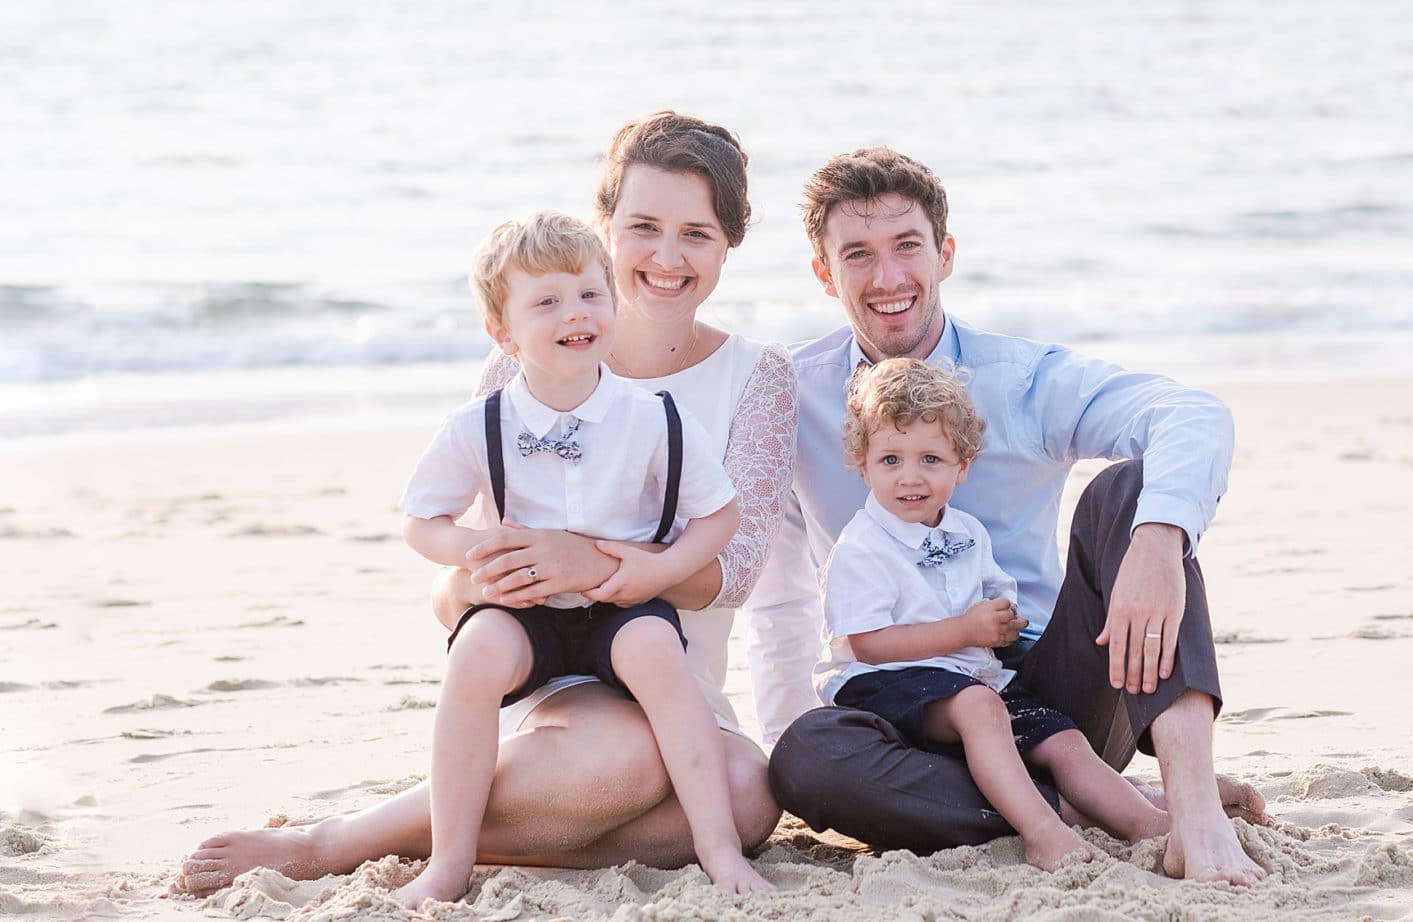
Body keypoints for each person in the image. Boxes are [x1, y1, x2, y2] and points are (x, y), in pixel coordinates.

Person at [178, 111, 795, 899]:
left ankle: (480, 841)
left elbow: (735, 570)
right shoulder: (525, 360)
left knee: (750, 796)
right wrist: (475, 578)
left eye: (697, 234)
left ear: (729, 244)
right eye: (642, 227)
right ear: (603, 226)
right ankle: (336, 842)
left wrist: (596, 562)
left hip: (665, 663)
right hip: (553, 680)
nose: (667, 258)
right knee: (620, 759)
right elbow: (452, 583)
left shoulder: (758, 375)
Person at [748, 147, 1270, 885]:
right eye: (857, 254)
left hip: (1052, 695)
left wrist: (1158, 542)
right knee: (806, 757)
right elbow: (781, 601)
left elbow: (1191, 414)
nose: (888, 277)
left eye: (907, 246)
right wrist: (786, 739)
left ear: (946, 254)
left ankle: (1192, 815)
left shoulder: (1021, 380)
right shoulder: (793, 394)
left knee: (1132, 493)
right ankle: (1094, 804)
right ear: (824, 274)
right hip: (901, 700)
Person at [392, 209, 771, 902]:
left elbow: (721, 515)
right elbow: (421, 520)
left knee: (660, 654)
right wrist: (474, 550)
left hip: (621, 602)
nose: (577, 312)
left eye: (591, 293)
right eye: (547, 301)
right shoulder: (479, 425)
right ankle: (449, 861)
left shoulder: (652, 416)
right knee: (475, 654)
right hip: (524, 606)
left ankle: (720, 851)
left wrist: (656, 570)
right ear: (502, 333)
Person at [819, 358, 1171, 871]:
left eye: (931, 460)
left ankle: (1145, 822)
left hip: (972, 676)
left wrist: (1001, 620)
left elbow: (994, 594)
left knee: (1060, 736)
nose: (909, 477)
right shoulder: (861, 548)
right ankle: (1042, 831)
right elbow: (868, 644)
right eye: (890, 459)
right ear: (863, 463)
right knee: (981, 709)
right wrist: (966, 629)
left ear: (962, 465)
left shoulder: (967, 532)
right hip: (881, 683)